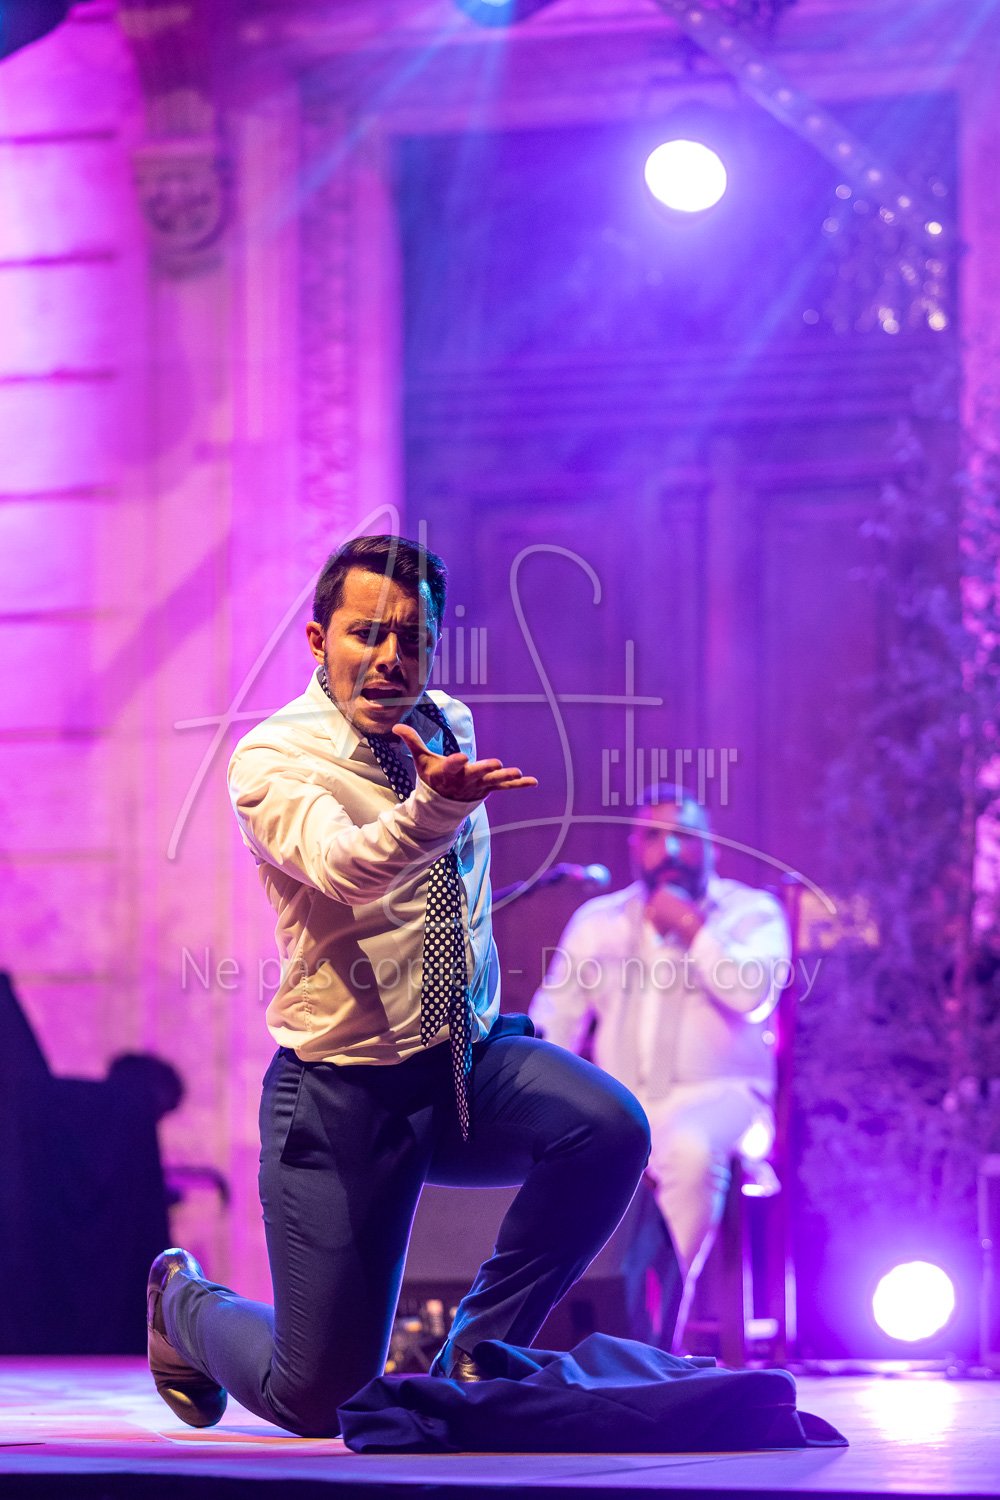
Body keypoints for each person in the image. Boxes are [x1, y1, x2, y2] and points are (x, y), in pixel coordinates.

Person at [146, 534, 650, 1437]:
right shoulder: (273, 759)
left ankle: (477, 1358)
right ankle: (180, 1303)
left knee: (608, 1129)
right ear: (318, 640)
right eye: (366, 633)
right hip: (346, 1094)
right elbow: (344, 868)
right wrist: (434, 807)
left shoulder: (446, 723)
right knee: (317, 1401)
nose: (390, 658)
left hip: (463, 1063)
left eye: (412, 639)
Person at [530, 788, 790, 1345]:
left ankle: (651, 1339)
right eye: (654, 836)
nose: (670, 850)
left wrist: (693, 927)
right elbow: (556, 1018)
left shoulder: (751, 913)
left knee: (688, 1149)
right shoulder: (599, 921)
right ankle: (564, 1335)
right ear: (634, 847)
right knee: (553, 1148)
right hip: (626, 1104)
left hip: (727, 1098)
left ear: (710, 845)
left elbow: (752, 995)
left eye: (685, 836)